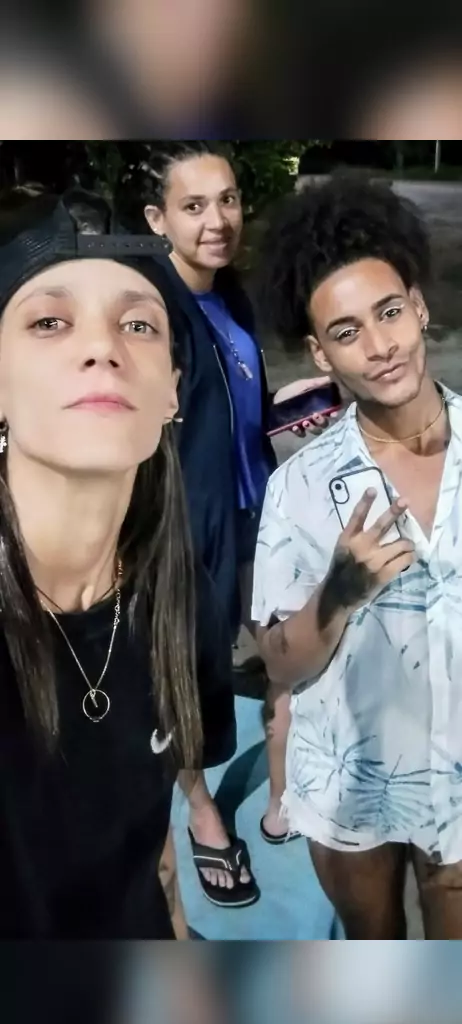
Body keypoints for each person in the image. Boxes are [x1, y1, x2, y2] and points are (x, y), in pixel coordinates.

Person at [0, 187, 237, 939]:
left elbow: (154, 846)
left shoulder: (181, 598)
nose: (102, 348)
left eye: (139, 324)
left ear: (172, 392)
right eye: (49, 322)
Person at [119, 141, 330, 905]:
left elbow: (231, 406)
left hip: (255, 510)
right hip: (185, 528)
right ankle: (204, 812)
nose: (218, 221)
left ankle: (282, 799)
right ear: (158, 219)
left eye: (229, 200)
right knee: (182, 673)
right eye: (194, 206)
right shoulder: (145, 313)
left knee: (285, 653)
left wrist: (283, 410)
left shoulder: (230, 293)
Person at [253, 176, 462, 939]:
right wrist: (336, 594)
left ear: (419, 306)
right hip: (350, 783)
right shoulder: (300, 486)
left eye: (389, 312)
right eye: (346, 332)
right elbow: (280, 663)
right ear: (319, 352)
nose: (380, 347)